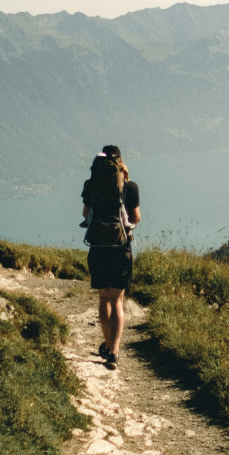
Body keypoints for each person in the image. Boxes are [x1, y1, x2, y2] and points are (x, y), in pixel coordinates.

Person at [81, 145, 140, 370]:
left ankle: (106, 344)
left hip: (98, 248)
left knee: (104, 298)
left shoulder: (91, 185)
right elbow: (136, 218)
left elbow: (86, 213)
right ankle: (114, 353)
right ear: (120, 162)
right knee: (117, 301)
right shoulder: (130, 187)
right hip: (120, 249)